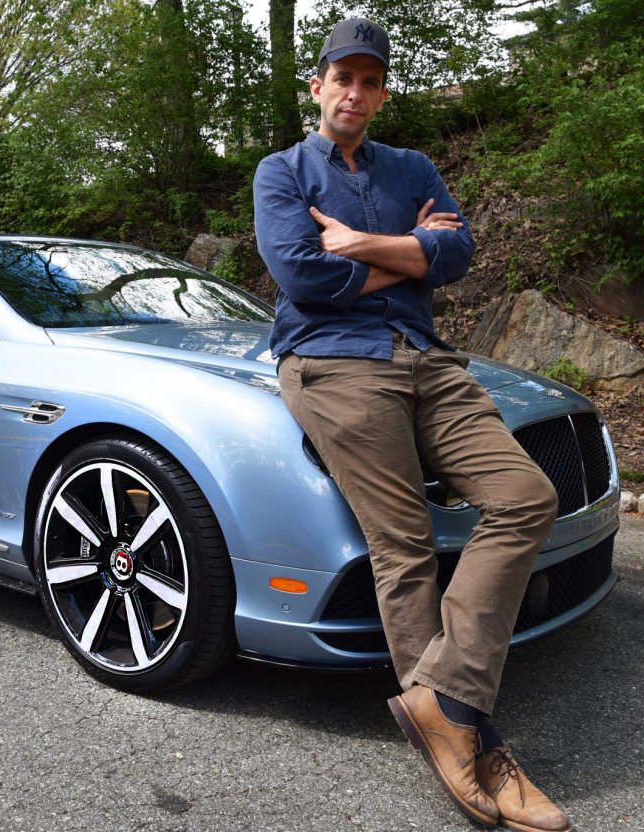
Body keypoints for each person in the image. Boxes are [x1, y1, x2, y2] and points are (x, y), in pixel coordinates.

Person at [253, 18, 572, 832]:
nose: (355, 92)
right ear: (317, 86)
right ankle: (479, 743)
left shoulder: (414, 167)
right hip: (333, 361)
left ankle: (444, 701)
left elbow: (460, 257)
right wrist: (410, 250)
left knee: (526, 496)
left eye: (371, 80)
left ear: (383, 92)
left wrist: (362, 242)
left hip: (428, 358)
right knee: (404, 546)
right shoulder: (281, 171)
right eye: (342, 78)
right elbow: (302, 278)